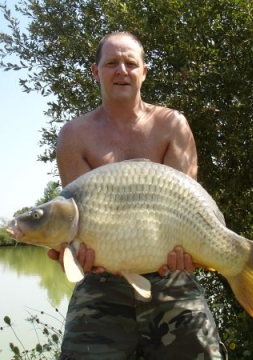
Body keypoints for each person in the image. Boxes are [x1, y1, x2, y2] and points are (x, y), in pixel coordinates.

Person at [48, 32, 227, 360]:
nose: (122, 70)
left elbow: (185, 210)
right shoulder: (74, 135)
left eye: (131, 63)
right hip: (101, 283)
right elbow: (77, 224)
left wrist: (188, 252)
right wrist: (71, 253)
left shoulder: (172, 125)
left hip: (170, 276)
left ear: (144, 71)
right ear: (95, 71)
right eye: (111, 63)